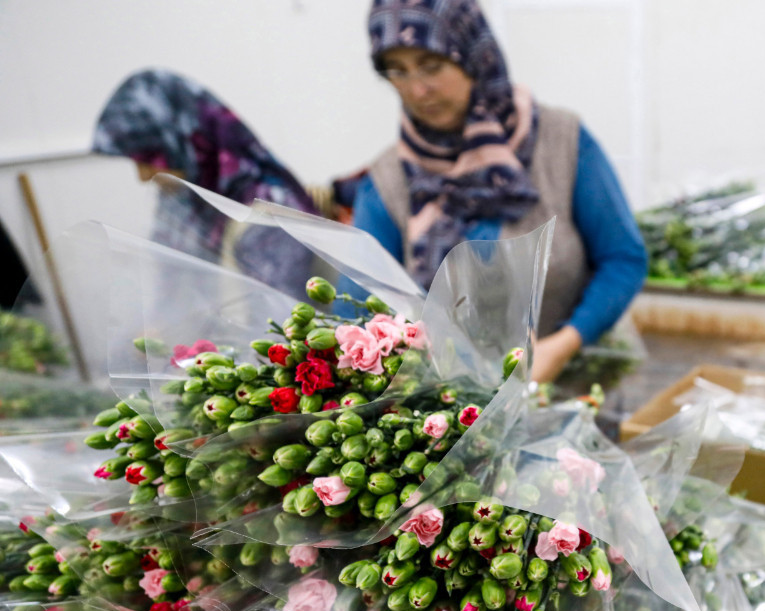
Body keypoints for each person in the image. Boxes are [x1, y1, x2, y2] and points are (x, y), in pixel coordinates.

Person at [347, 0, 648, 383]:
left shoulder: (561, 142)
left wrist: (564, 344)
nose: (418, 89)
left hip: (571, 387)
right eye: (397, 71)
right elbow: (356, 305)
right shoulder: (389, 180)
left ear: (474, 54)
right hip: (445, 413)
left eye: (432, 65)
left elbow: (623, 259)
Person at [92, 68, 318, 294]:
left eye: (150, 159)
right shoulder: (187, 199)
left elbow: (280, 320)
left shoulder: (266, 213)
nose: (143, 178)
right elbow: (171, 295)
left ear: (185, 143)